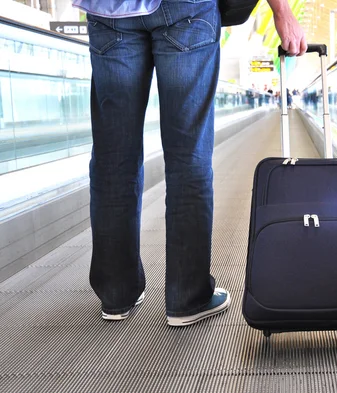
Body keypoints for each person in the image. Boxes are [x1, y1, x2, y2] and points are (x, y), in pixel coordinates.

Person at [71, 0, 307, 327]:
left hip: (109, 11)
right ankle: (186, 297)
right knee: (188, 154)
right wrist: (282, 11)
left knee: (113, 159)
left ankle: (116, 294)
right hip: (186, 10)